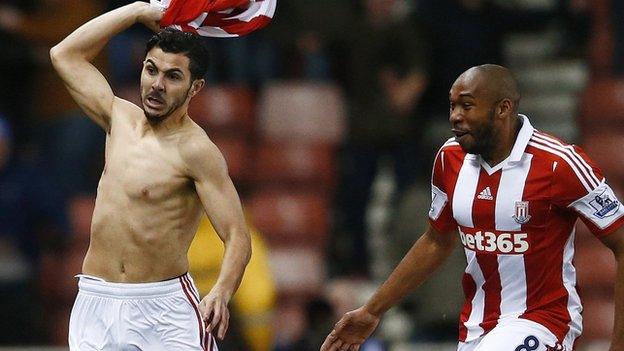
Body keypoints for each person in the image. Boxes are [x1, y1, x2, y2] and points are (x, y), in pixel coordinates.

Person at [321, 64, 624, 351]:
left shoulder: (560, 163)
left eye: (466, 106)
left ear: (503, 108)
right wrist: (372, 311)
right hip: (477, 328)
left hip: (543, 322)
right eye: (452, 106)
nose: (454, 116)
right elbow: (436, 240)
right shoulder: (448, 159)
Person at [50, 3, 252, 350]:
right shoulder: (118, 118)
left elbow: (237, 236)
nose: (156, 85)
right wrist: (136, 11)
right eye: (150, 70)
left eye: (173, 76)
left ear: (195, 87)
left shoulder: (197, 151)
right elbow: (64, 54)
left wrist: (221, 290)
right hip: (96, 300)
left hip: (164, 309)